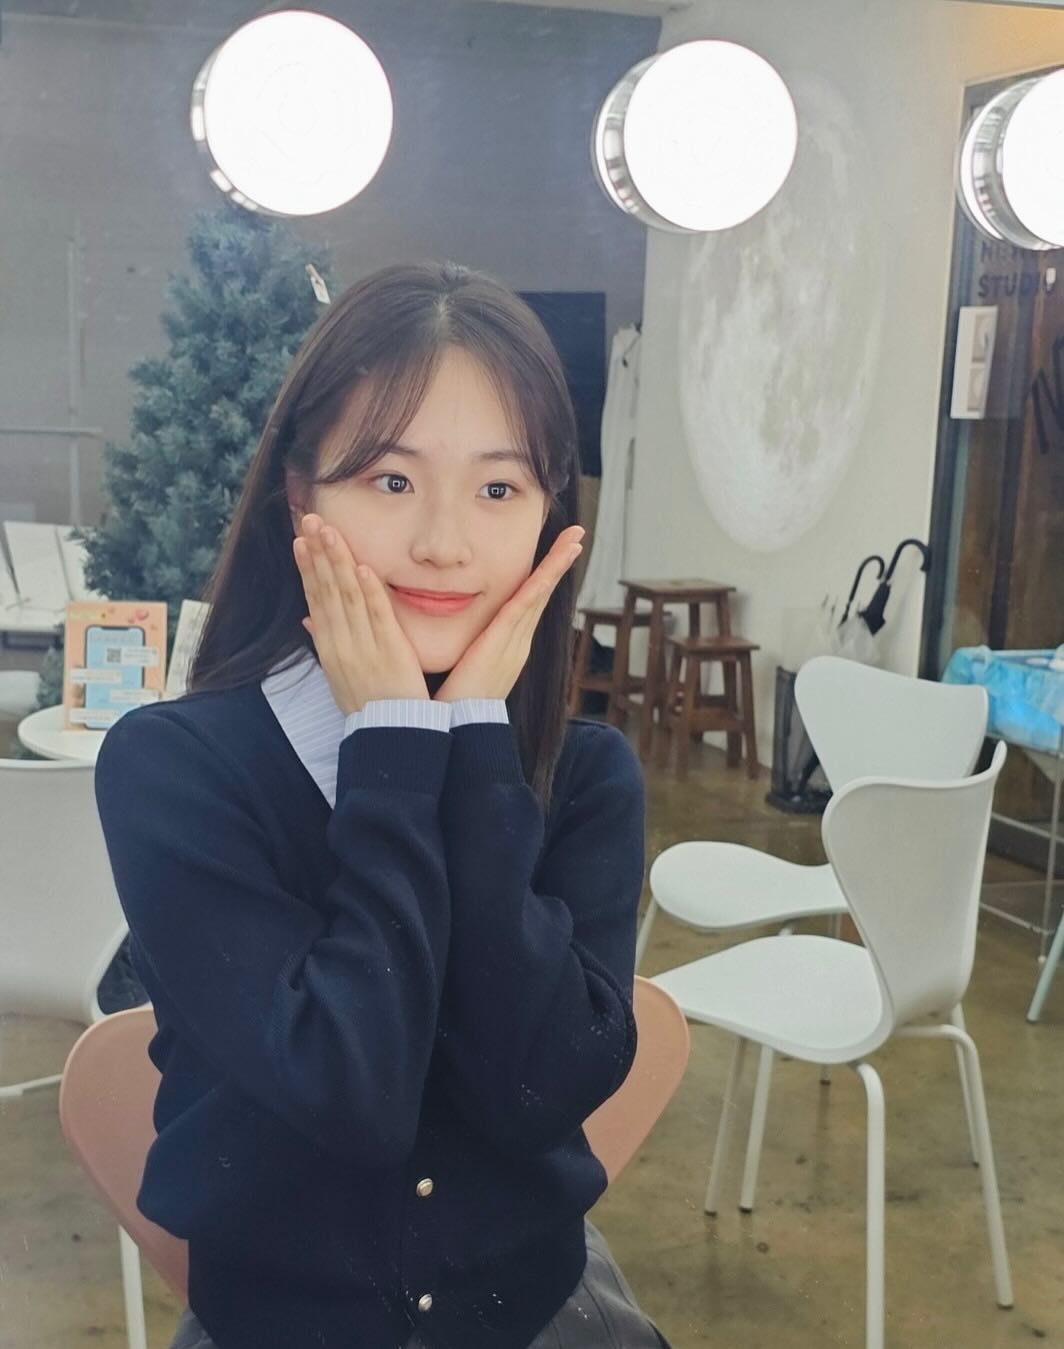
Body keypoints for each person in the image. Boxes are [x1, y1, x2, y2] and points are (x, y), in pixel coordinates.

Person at [94, 261, 670, 1349]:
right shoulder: (173, 769)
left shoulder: (586, 776)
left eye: (499, 489)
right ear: (300, 495)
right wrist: (397, 746)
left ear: (551, 517)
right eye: (392, 480)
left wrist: (475, 756)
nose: (444, 542)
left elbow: (542, 1089)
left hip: (538, 1309)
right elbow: (348, 1089)